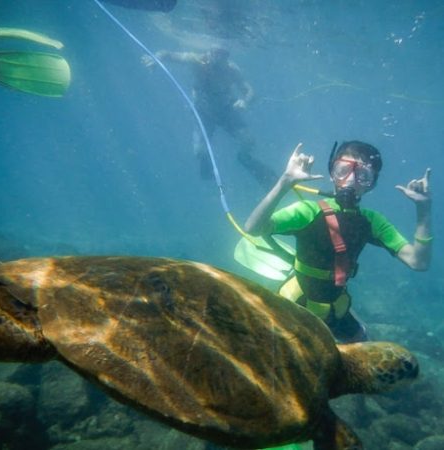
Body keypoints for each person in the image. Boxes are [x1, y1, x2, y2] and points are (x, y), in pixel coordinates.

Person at [245, 140, 432, 343]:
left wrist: (423, 210)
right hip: (295, 303)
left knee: (366, 352)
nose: (350, 181)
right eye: (343, 170)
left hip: (337, 306)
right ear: (332, 173)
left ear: (372, 185)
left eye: (363, 176)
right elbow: (253, 228)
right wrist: (285, 182)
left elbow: (418, 262)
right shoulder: (308, 211)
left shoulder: (372, 221)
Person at [142, 47, 277, 188]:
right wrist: (155, 58)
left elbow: (249, 90)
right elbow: (168, 54)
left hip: (226, 110)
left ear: (226, 57)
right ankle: (207, 170)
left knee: (249, 141)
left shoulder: (231, 70)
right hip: (203, 112)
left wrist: (245, 101)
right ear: (209, 53)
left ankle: (244, 158)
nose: (218, 60)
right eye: (215, 54)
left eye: (223, 55)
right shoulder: (195, 60)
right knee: (200, 151)